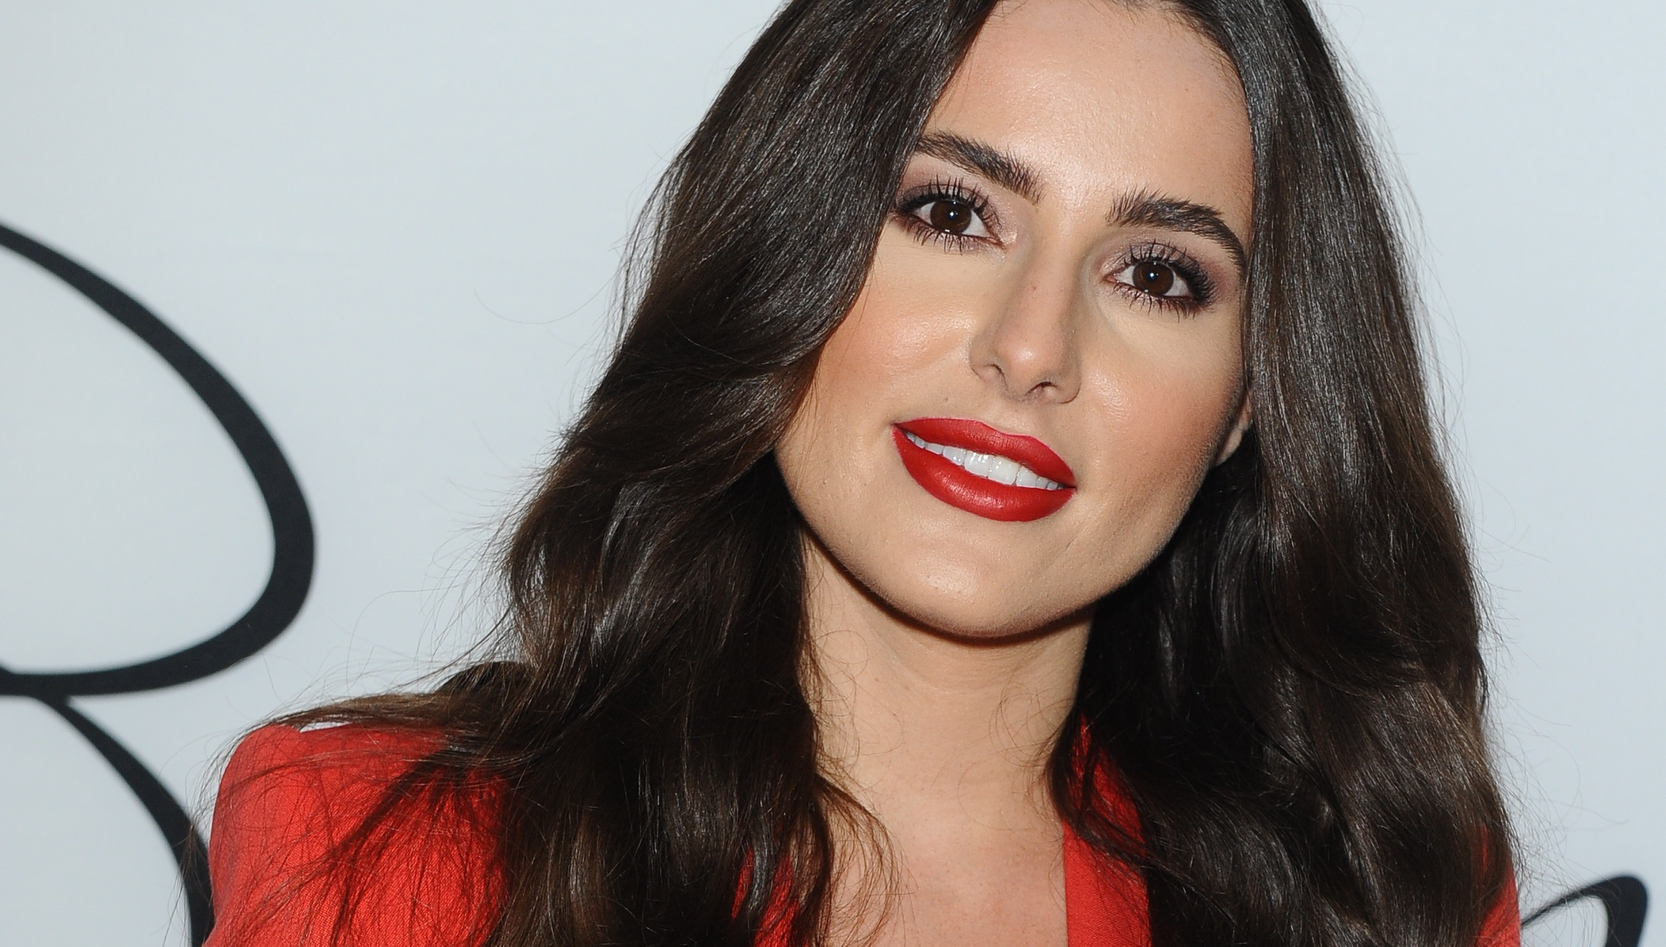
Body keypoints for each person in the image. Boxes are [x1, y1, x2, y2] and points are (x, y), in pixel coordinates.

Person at [204, 1, 1521, 945]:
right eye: (951, 212)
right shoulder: (382, 859)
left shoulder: (1379, 893)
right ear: (786, 253)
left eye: (1158, 276)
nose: (1031, 348)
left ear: (1248, 402)